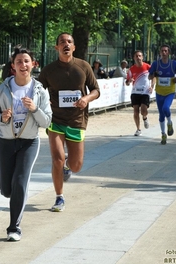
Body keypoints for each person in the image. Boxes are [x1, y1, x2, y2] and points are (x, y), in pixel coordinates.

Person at [0, 45, 52, 241]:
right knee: (6, 189)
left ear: (33, 64)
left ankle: (14, 228)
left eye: (26, 61)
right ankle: (13, 196)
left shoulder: (40, 91)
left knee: (20, 182)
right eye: (19, 62)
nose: (23, 65)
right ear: (13, 66)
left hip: (29, 143)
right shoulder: (3, 89)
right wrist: (3, 118)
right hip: (6, 142)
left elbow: (47, 121)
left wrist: (34, 109)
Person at [38, 32, 100, 212]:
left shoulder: (83, 66)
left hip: (77, 120)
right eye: (62, 42)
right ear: (56, 47)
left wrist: (86, 99)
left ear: (74, 47)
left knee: (76, 166)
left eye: (69, 42)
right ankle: (59, 198)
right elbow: (38, 90)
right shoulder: (49, 70)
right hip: (55, 120)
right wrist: (45, 100)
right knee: (56, 159)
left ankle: (68, 165)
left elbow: (96, 90)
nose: (66, 44)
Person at [148, 44, 176, 145]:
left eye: (166, 51)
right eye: (162, 51)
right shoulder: (156, 64)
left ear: (169, 53)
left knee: (166, 108)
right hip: (159, 92)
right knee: (161, 114)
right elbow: (149, 77)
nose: (164, 53)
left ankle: (170, 123)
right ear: (160, 53)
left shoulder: (173, 64)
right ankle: (163, 134)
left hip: (170, 92)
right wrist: (154, 74)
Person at [126, 50, 155, 136]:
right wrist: (129, 81)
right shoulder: (131, 69)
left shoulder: (148, 67)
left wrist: (152, 86)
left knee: (143, 110)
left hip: (145, 92)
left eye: (140, 56)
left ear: (142, 57)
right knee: (135, 111)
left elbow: (154, 77)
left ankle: (145, 118)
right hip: (135, 92)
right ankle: (138, 129)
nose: (138, 58)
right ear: (134, 58)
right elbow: (127, 82)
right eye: (136, 56)